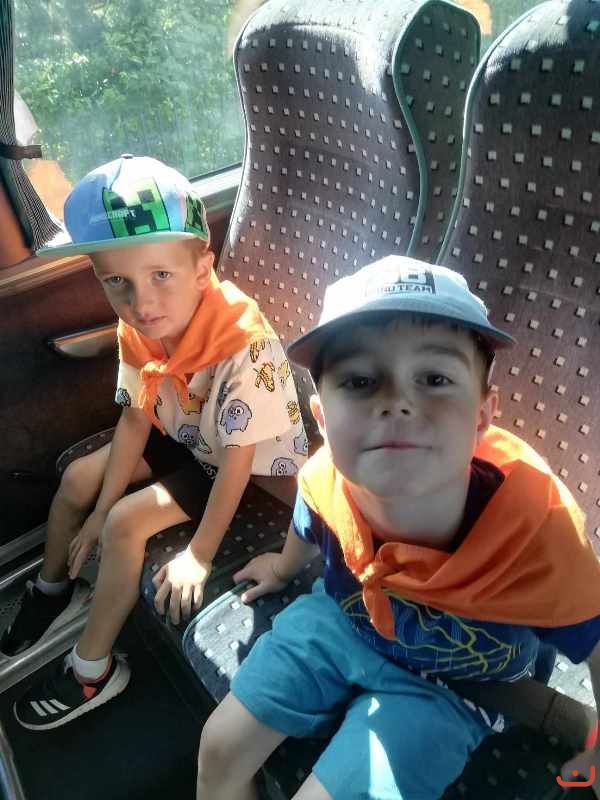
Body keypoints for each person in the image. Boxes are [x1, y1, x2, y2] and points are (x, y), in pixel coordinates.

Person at [195, 256, 600, 800]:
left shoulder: (537, 533)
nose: (397, 402)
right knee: (218, 747)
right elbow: (309, 521)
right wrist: (283, 567)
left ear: (482, 414)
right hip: (343, 622)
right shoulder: (325, 481)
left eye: (434, 379)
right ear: (322, 418)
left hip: (458, 682)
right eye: (360, 381)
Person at [4, 154, 307, 730]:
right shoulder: (140, 327)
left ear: (201, 268)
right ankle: (51, 587)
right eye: (116, 282)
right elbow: (136, 418)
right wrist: (93, 510)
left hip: (242, 466)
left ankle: (91, 669)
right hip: (188, 432)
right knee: (79, 481)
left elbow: (238, 460)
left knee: (125, 522)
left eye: (160, 276)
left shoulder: (242, 344)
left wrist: (199, 555)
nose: (141, 304)